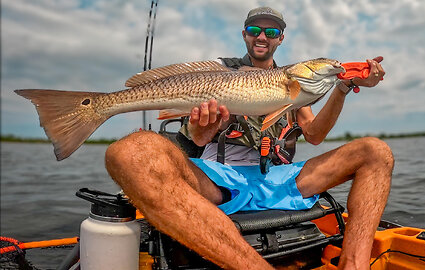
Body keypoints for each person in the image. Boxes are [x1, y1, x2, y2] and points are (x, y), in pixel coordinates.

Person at [105, 6, 392, 270]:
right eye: (255, 30)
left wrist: (341, 88)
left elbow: (315, 135)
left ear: (281, 38)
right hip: (219, 177)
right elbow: (192, 138)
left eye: (271, 32)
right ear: (244, 34)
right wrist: (196, 133)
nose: (262, 37)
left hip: (277, 178)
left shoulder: (296, 85)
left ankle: (354, 265)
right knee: (131, 153)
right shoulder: (221, 71)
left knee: (375, 151)